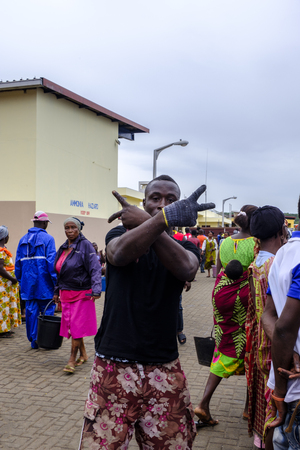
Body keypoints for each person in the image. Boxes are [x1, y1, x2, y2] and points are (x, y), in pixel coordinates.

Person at [79, 175, 215, 450]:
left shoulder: (186, 246)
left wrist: (154, 221)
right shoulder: (118, 234)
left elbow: (188, 269)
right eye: (155, 199)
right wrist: (163, 219)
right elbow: (117, 255)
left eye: (171, 202)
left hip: (164, 366)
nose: (163, 205)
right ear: (144, 203)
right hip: (113, 366)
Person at [195, 205, 257, 426]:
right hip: (245, 296)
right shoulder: (257, 243)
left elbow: (219, 269)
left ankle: (208, 403)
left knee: (226, 345)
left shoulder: (226, 241)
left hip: (222, 293)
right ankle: (248, 408)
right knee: (250, 346)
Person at [260, 197, 300, 450]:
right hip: (292, 390)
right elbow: (283, 328)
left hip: (286, 385)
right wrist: (280, 394)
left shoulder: (284, 254)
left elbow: (268, 314)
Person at [245, 206, 286, 449]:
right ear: (281, 229)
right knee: (275, 401)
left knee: (262, 395)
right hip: (276, 345)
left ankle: (260, 437)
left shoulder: (256, 262)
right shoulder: (276, 264)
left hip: (259, 342)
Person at [194, 259, 248, 427]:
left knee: (217, 367)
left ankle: (204, 403)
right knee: (251, 367)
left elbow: (223, 271)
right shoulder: (244, 292)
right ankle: (248, 408)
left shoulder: (219, 285)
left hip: (223, 335)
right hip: (238, 338)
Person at [53, 217, 102, 374]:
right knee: (72, 326)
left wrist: (96, 289)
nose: (69, 230)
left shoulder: (86, 246)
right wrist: (56, 291)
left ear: (79, 229)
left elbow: (95, 268)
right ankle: (84, 355)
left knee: (76, 326)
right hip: (66, 293)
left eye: (73, 227)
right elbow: (58, 272)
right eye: (66, 227)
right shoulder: (62, 247)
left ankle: (72, 359)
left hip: (82, 293)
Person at [15, 211, 57, 349]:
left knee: (31, 311)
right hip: (44, 283)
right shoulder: (49, 239)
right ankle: (45, 340)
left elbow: (18, 264)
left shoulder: (22, 240)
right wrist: (56, 282)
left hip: (28, 284)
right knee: (47, 309)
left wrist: (21, 281)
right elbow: (52, 263)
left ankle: (34, 341)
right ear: (45, 223)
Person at [0, 226, 21, 338]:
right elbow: (0, 269)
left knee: (5, 306)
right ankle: (2, 330)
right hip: (2, 285)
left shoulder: (3, 248)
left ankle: (5, 328)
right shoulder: (0, 250)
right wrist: (13, 279)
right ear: (4, 236)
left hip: (6, 286)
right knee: (2, 307)